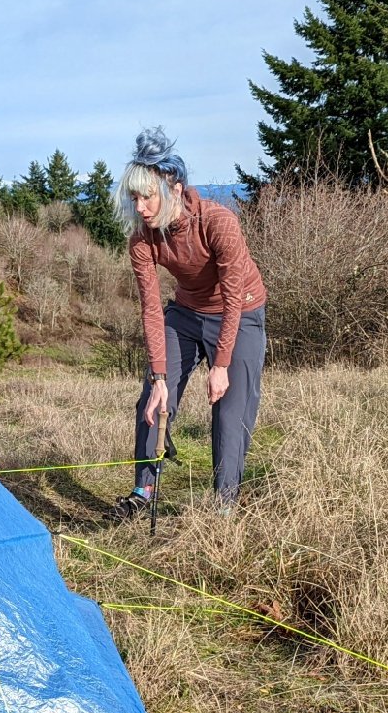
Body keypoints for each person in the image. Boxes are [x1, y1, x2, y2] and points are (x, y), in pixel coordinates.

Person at [106, 127, 267, 521]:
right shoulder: (143, 240)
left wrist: (222, 365)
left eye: (148, 196)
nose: (140, 207)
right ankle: (143, 490)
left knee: (229, 410)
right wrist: (159, 377)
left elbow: (232, 298)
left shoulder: (219, 223)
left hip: (241, 312)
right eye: (134, 198)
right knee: (152, 401)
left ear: (174, 188)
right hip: (186, 313)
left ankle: (224, 504)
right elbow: (150, 310)